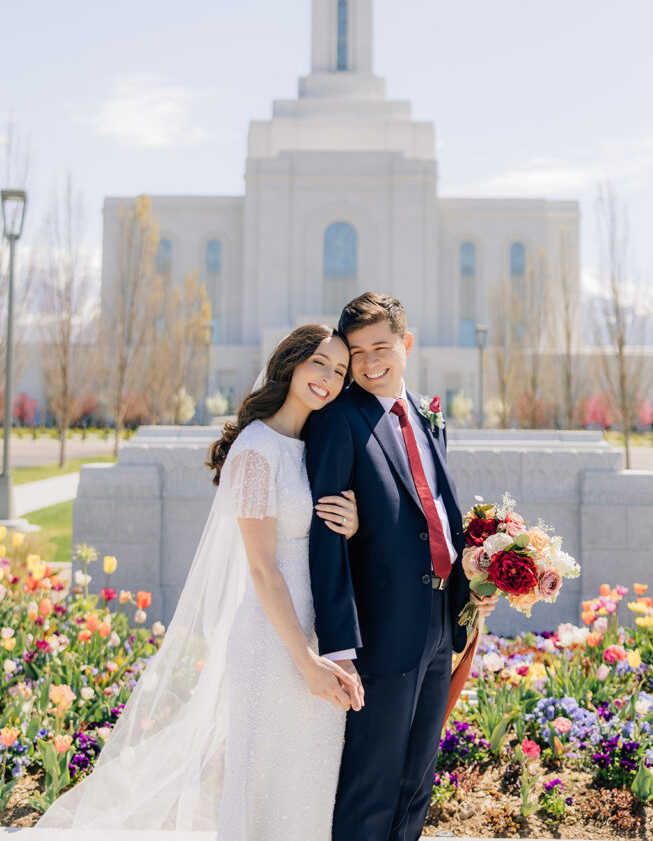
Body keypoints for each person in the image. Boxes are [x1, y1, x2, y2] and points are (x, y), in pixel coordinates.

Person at [37, 324, 361, 840]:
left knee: (307, 783)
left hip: (316, 633)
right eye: (319, 363)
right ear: (292, 363)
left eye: (339, 371)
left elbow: (315, 534)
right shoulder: (257, 451)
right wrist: (306, 660)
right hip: (277, 643)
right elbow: (261, 568)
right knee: (262, 789)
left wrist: (351, 522)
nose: (328, 378)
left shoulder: (308, 446)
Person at [306, 293, 499, 841]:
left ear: (406, 345)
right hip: (380, 631)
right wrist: (339, 646)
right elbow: (326, 540)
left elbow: (435, 509)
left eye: (381, 347)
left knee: (417, 779)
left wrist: (473, 585)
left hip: (441, 622)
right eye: (357, 351)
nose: (369, 363)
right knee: (372, 781)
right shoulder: (338, 419)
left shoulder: (428, 415)